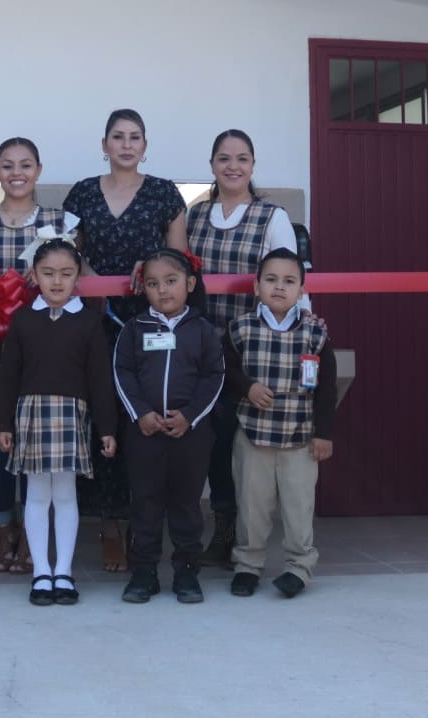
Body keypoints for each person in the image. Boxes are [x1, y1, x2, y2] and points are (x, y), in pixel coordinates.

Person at [62, 108, 188, 571]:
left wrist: (154, 265)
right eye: (118, 136)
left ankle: (143, 522)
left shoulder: (163, 193)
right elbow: (64, 250)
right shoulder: (81, 193)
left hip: (151, 323)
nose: (127, 144)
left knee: (146, 415)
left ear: (145, 145)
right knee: (101, 416)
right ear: (105, 143)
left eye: (135, 137)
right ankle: (108, 525)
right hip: (93, 321)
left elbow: (177, 255)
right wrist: (91, 278)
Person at [0, 137, 79, 575]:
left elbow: (76, 277)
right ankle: (3, 525)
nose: (17, 172)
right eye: (7, 165)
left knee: (37, 447)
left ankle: (33, 533)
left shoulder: (61, 221)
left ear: (39, 170)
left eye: (26, 165)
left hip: (44, 352)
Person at [185, 129, 301, 568]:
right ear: (212, 164)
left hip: (252, 351)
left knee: (246, 446)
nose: (233, 166)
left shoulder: (272, 217)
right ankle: (224, 529)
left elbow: (291, 283)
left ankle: (249, 540)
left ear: (253, 165)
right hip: (200, 350)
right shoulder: (194, 217)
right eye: (224, 158)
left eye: (242, 158)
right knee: (210, 443)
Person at [0, 240, 117, 606]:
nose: (57, 281)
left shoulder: (89, 321)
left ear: (78, 277)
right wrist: (4, 423)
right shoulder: (23, 318)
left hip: (71, 416)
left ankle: (63, 571)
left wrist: (107, 428)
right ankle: (41, 574)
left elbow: (100, 379)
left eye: (66, 274)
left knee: (65, 495)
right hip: (31, 415)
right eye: (48, 273)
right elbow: (9, 376)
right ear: (34, 275)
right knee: (36, 495)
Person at [222, 248, 338, 599]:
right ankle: (247, 565)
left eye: (289, 281)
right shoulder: (240, 329)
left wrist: (324, 434)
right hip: (253, 437)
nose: (279, 287)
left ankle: (298, 567)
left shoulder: (315, 333)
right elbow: (224, 372)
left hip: (300, 439)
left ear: (302, 290)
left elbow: (327, 386)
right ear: (256, 286)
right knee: (252, 506)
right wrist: (248, 387)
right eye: (270, 280)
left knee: (298, 507)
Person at [113, 248, 226, 604]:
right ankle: (144, 571)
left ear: (190, 284)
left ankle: (186, 571)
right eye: (152, 283)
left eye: (171, 281)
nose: (162, 290)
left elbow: (214, 377)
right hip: (144, 434)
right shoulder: (134, 329)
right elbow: (122, 372)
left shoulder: (203, 331)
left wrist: (190, 416)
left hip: (190, 435)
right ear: (142, 288)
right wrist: (141, 413)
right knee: (145, 503)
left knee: (186, 504)